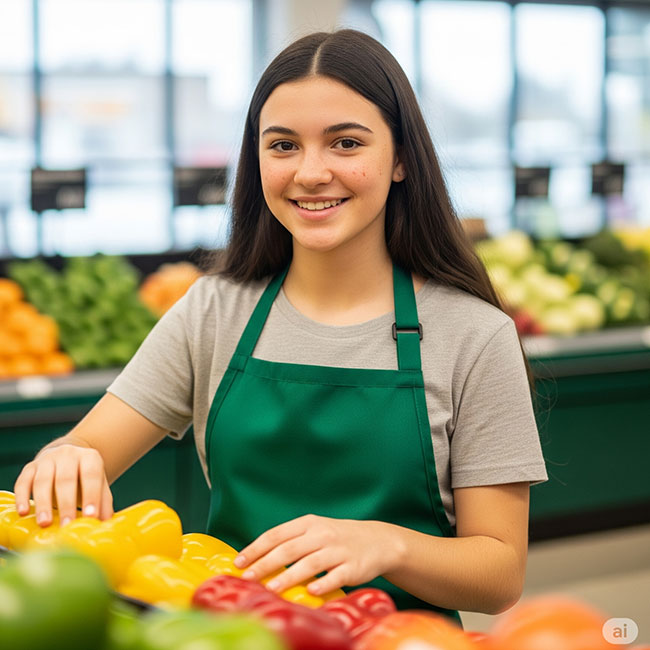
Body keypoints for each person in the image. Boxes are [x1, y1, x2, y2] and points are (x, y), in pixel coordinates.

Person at [14, 29, 547, 623]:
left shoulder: (475, 335)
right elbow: (85, 448)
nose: (311, 172)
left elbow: (499, 573)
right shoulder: (214, 310)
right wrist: (65, 458)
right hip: (229, 635)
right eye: (283, 145)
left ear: (400, 159)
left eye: (345, 143)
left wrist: (386, 544)